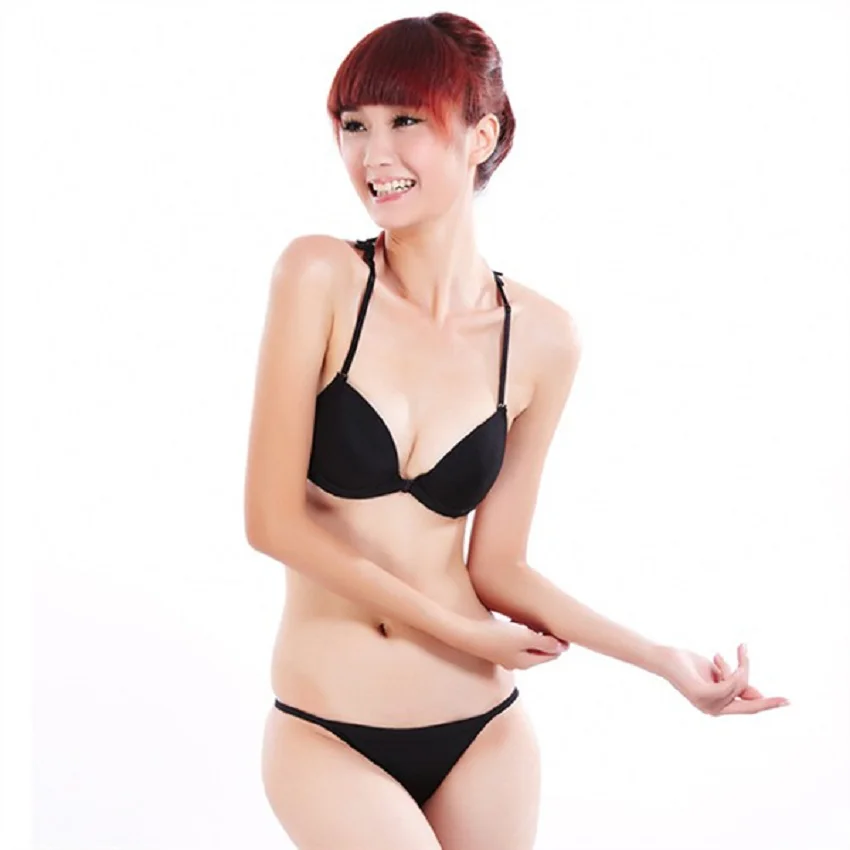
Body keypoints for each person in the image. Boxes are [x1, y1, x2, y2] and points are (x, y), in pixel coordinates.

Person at [243, 12, 790, 850]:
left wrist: (663, 661)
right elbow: (272, 523)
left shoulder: (542, 338)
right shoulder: (319, 276)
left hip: (482, 730)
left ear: (482, 135)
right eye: (353, 125)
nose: (373, 155)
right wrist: (459, 630)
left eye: (406, 121)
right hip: (327, 729)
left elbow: (498, 566)